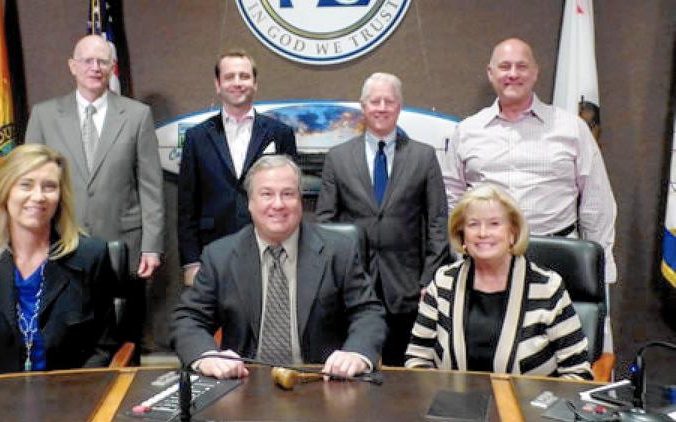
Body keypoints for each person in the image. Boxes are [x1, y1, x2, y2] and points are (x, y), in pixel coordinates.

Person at [171, 155, 386, 379]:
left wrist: (356, 353)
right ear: (250, 202)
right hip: (245, 382)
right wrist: (207, 356)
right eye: (266, 194)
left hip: (319, 381)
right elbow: (189, 318)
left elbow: (368, 313)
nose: (278, 204)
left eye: (288, 194)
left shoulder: (339, 251)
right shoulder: (220, 256)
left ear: (300, 201)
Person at [25, 34, 164, 355]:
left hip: (122, 246)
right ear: (72, 66)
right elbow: (28, 179)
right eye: (87, 60)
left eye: (102, 61)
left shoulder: (136, 115)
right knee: (64, 341)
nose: (95, 67)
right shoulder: (44, 116)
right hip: (59, 243)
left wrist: (152, 246)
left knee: (124, 345)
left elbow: (150, 186)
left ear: (112, 67)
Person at [442, 38, 617, 285]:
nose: (513, 74)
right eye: (504, 67)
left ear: (535, 73)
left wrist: (600, 269)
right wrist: (459, 257)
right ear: (490, 74)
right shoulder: (467, 131)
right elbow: (452, 201)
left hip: (557, 257)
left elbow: (597, 204)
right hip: (486, 262)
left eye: (521, 66)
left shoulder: (572, 128)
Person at [0, 145, 119, 376]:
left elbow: (104, 347)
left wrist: (74, 394)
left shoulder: (90, 255)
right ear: (5, 191)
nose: (38, 196)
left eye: (49, 187)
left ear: (61, 196)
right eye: (26, 185)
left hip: (71, 398)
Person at [316, 72, 450, 366]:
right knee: (349, 367)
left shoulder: (423, 156)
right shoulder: (337, 158)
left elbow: (438, 222)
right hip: (351, 283)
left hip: (406, 285)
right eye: (374, 101)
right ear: (363, 106)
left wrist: (429, 278)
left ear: (399, 106)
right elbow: (325, 224)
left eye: (389, 101)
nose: (382, 107)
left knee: (402, 374)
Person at [405, 184, 593, 380]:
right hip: (455, 405)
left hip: (527, 407)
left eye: (494, 224)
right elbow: (417, 358)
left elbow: (577, 372)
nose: (483, 233)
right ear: (462, 235)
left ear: (513, 233)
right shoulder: (443, 281)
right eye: (473, 224)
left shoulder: (547, 287)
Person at [178, 49, 297, 286]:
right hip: (211, 253)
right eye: (229, 76)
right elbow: (186, 207)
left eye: (244, 76)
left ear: (255, 83)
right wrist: (191, 262)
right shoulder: (197, 137)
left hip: (269, 250)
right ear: (217, 84)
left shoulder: (280, 133)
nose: (237, 83)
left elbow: (292, 198)